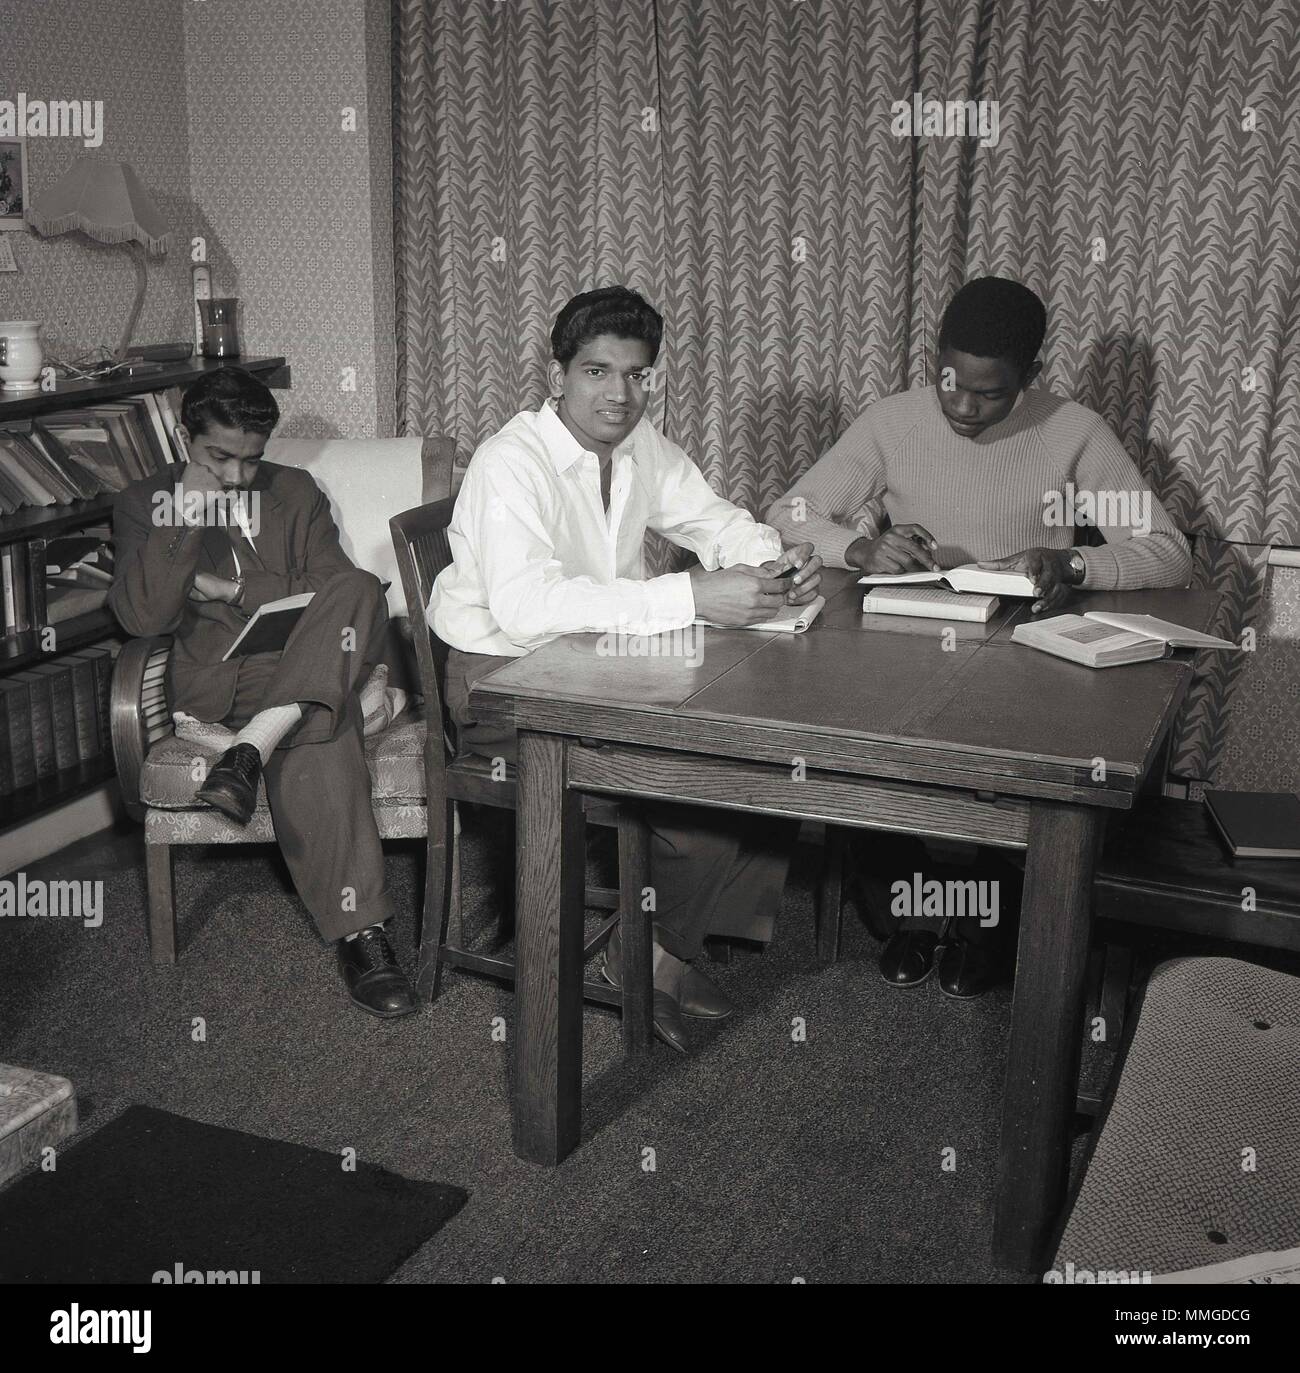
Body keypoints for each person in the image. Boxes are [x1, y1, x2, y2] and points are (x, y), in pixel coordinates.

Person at [767, 275, 1191, 996]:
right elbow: (786, 511)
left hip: (1019, 658)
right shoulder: (893, 421)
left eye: (987, 394)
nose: (962, 406)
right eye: (949, 382)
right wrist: (858, 548)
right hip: (899, 649)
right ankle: (913, 915)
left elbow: (1169, 551)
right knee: (873, 758)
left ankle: (976, 923)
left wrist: (1075, 561)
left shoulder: (1074, 432)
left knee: (1019, 784)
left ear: (1028, 377)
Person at [429, 285, 822, 1053]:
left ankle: (663, 952)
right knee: (702, 785)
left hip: (589, 664)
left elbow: (714, 520)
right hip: (499, 680)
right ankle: (640, 960)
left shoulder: (639, 444)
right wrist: (689, 592)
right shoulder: (511, 461)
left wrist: (774, 559)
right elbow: (525, 607)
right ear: (558, 375)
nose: (619, 394)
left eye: (637, 375)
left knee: (773, 760)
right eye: (597, 371)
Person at [109, 366, 416, 1018]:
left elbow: (337, 590)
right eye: (218, 456)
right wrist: (185, 515)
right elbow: (144, 618)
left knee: (362, 589)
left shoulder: (295, 490)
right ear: (185, 439)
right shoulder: (144, 503)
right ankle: (363, 933)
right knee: (326, 715)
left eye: (251, 458)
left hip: (308, 661)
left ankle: (249, 752)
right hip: (224, 676)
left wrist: (234, 592)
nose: (238, 476)